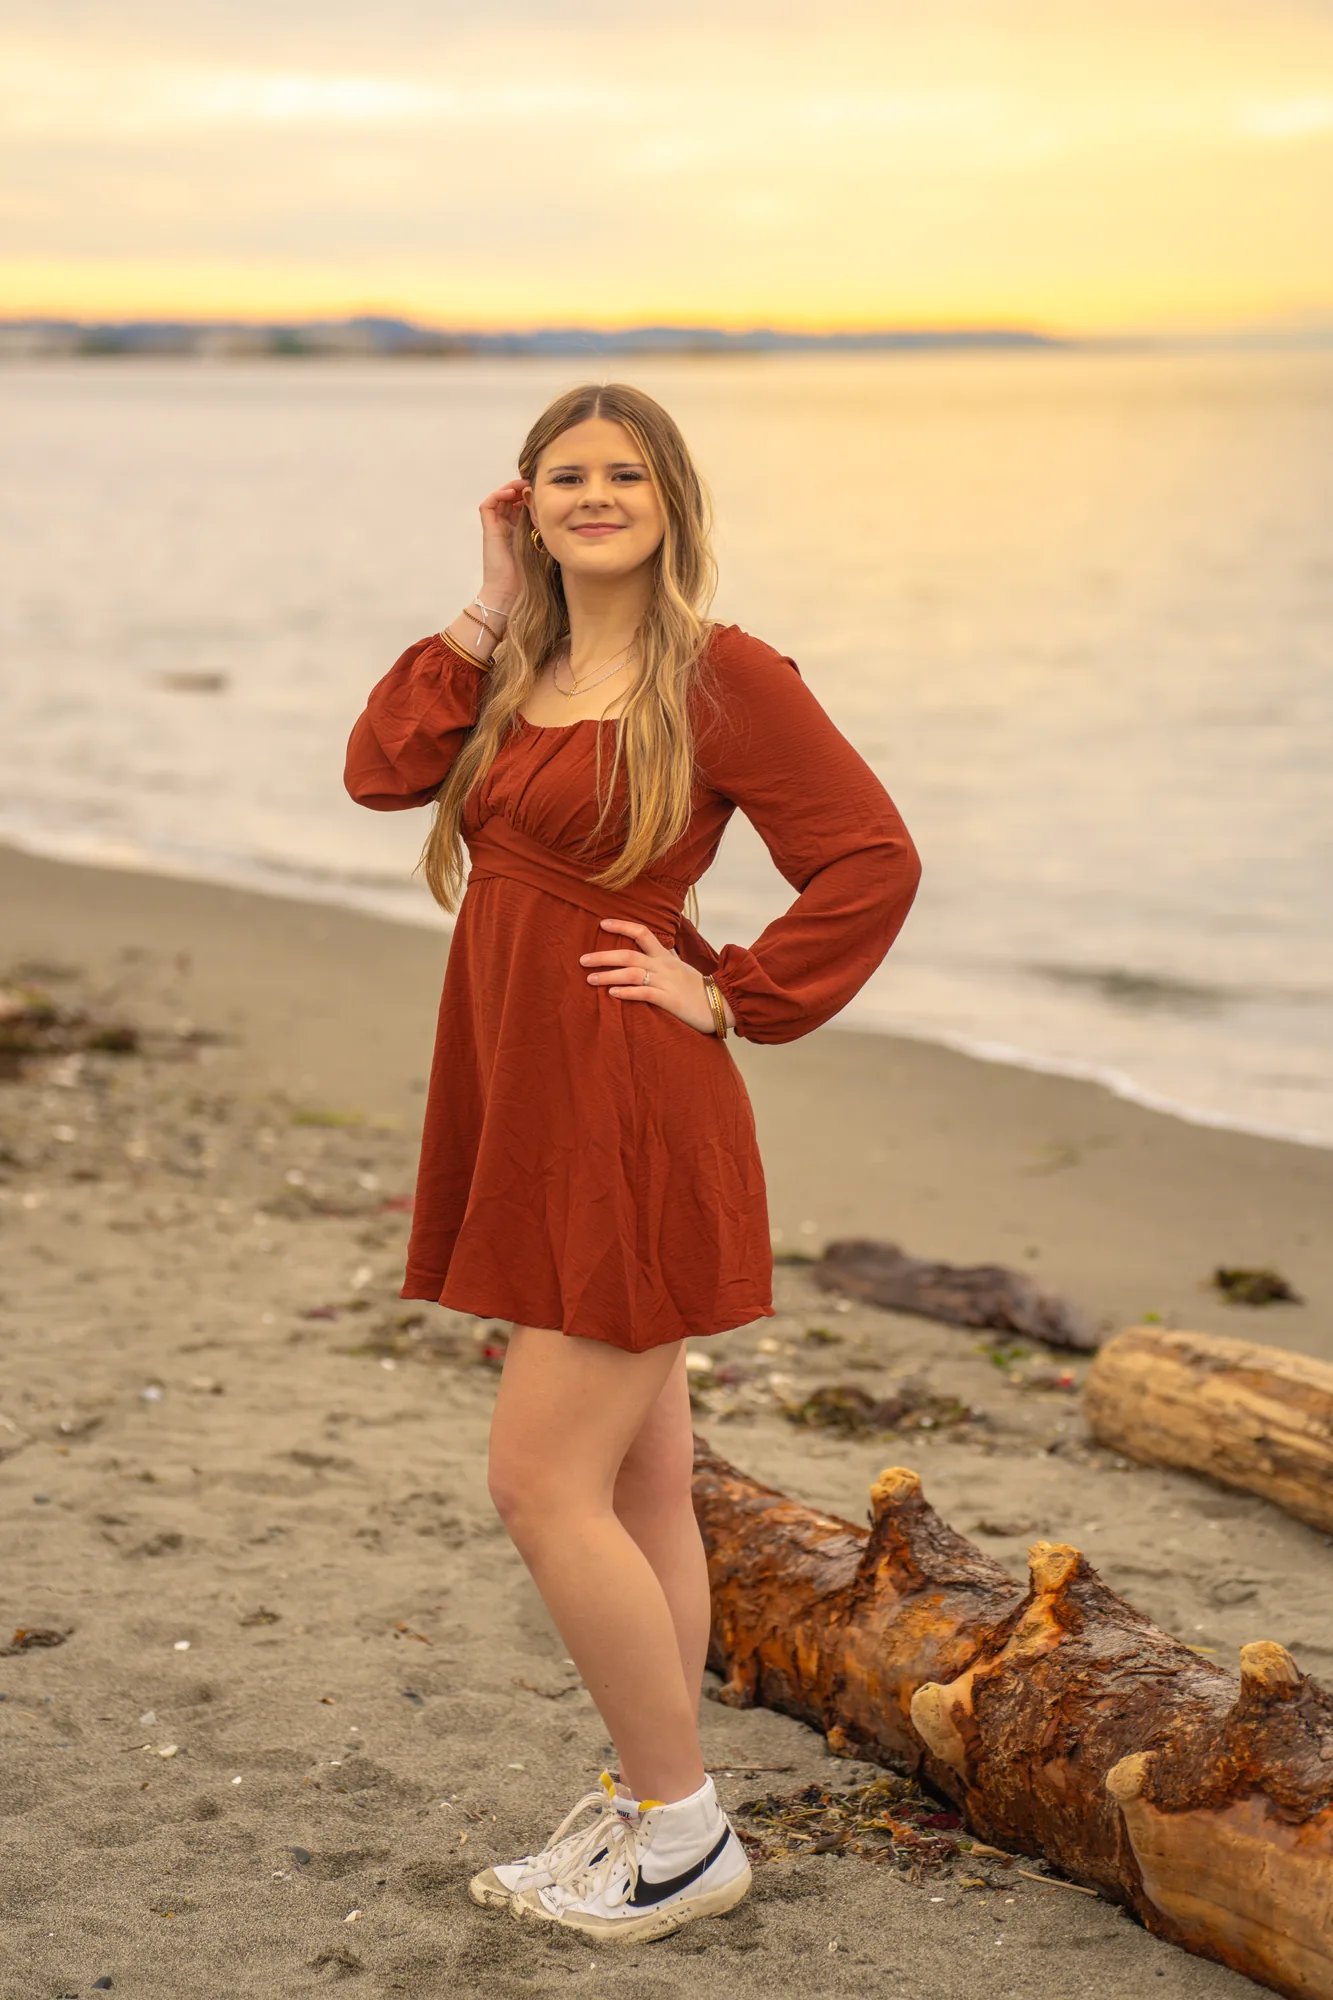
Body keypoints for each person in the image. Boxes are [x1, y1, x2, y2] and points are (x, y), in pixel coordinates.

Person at [344, 382, 921, 1944]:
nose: (595, 494)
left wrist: (733, 986)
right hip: (529, 1100)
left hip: (627, 1108)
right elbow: (378, 771)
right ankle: (658, 1797)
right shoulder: (518, 662)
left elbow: (871, 856)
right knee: (643, 1488)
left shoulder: (720, 673)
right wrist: (482, 608)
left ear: (671, 497)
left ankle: (679, 1833)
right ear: (523, 501)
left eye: (624, 473)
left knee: (538, 1484)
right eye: (564, 475)